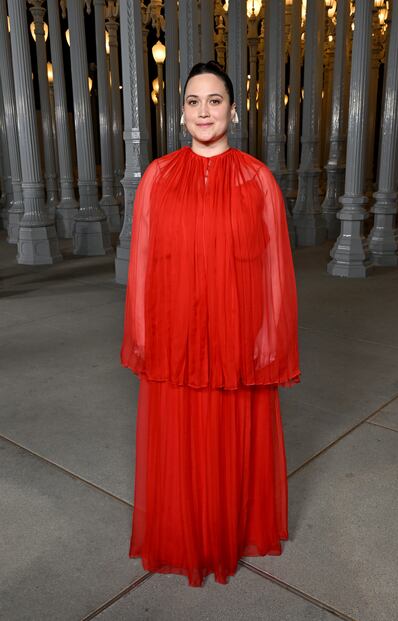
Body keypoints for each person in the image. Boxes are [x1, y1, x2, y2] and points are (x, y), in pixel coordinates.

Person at [121, 60, 301, 588]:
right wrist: (143, 336)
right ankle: (182, 533)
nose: (204, 111)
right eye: (194, 102)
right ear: (181, 113)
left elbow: (274, 268)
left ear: (234, 109)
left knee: (230, 434)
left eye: (215, 100)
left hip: (235, 337)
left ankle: (227, 532)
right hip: (174, 337)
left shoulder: (257, 179)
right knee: (178, 437)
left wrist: (269, 339)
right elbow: (144, 261)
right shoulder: (158, 176)